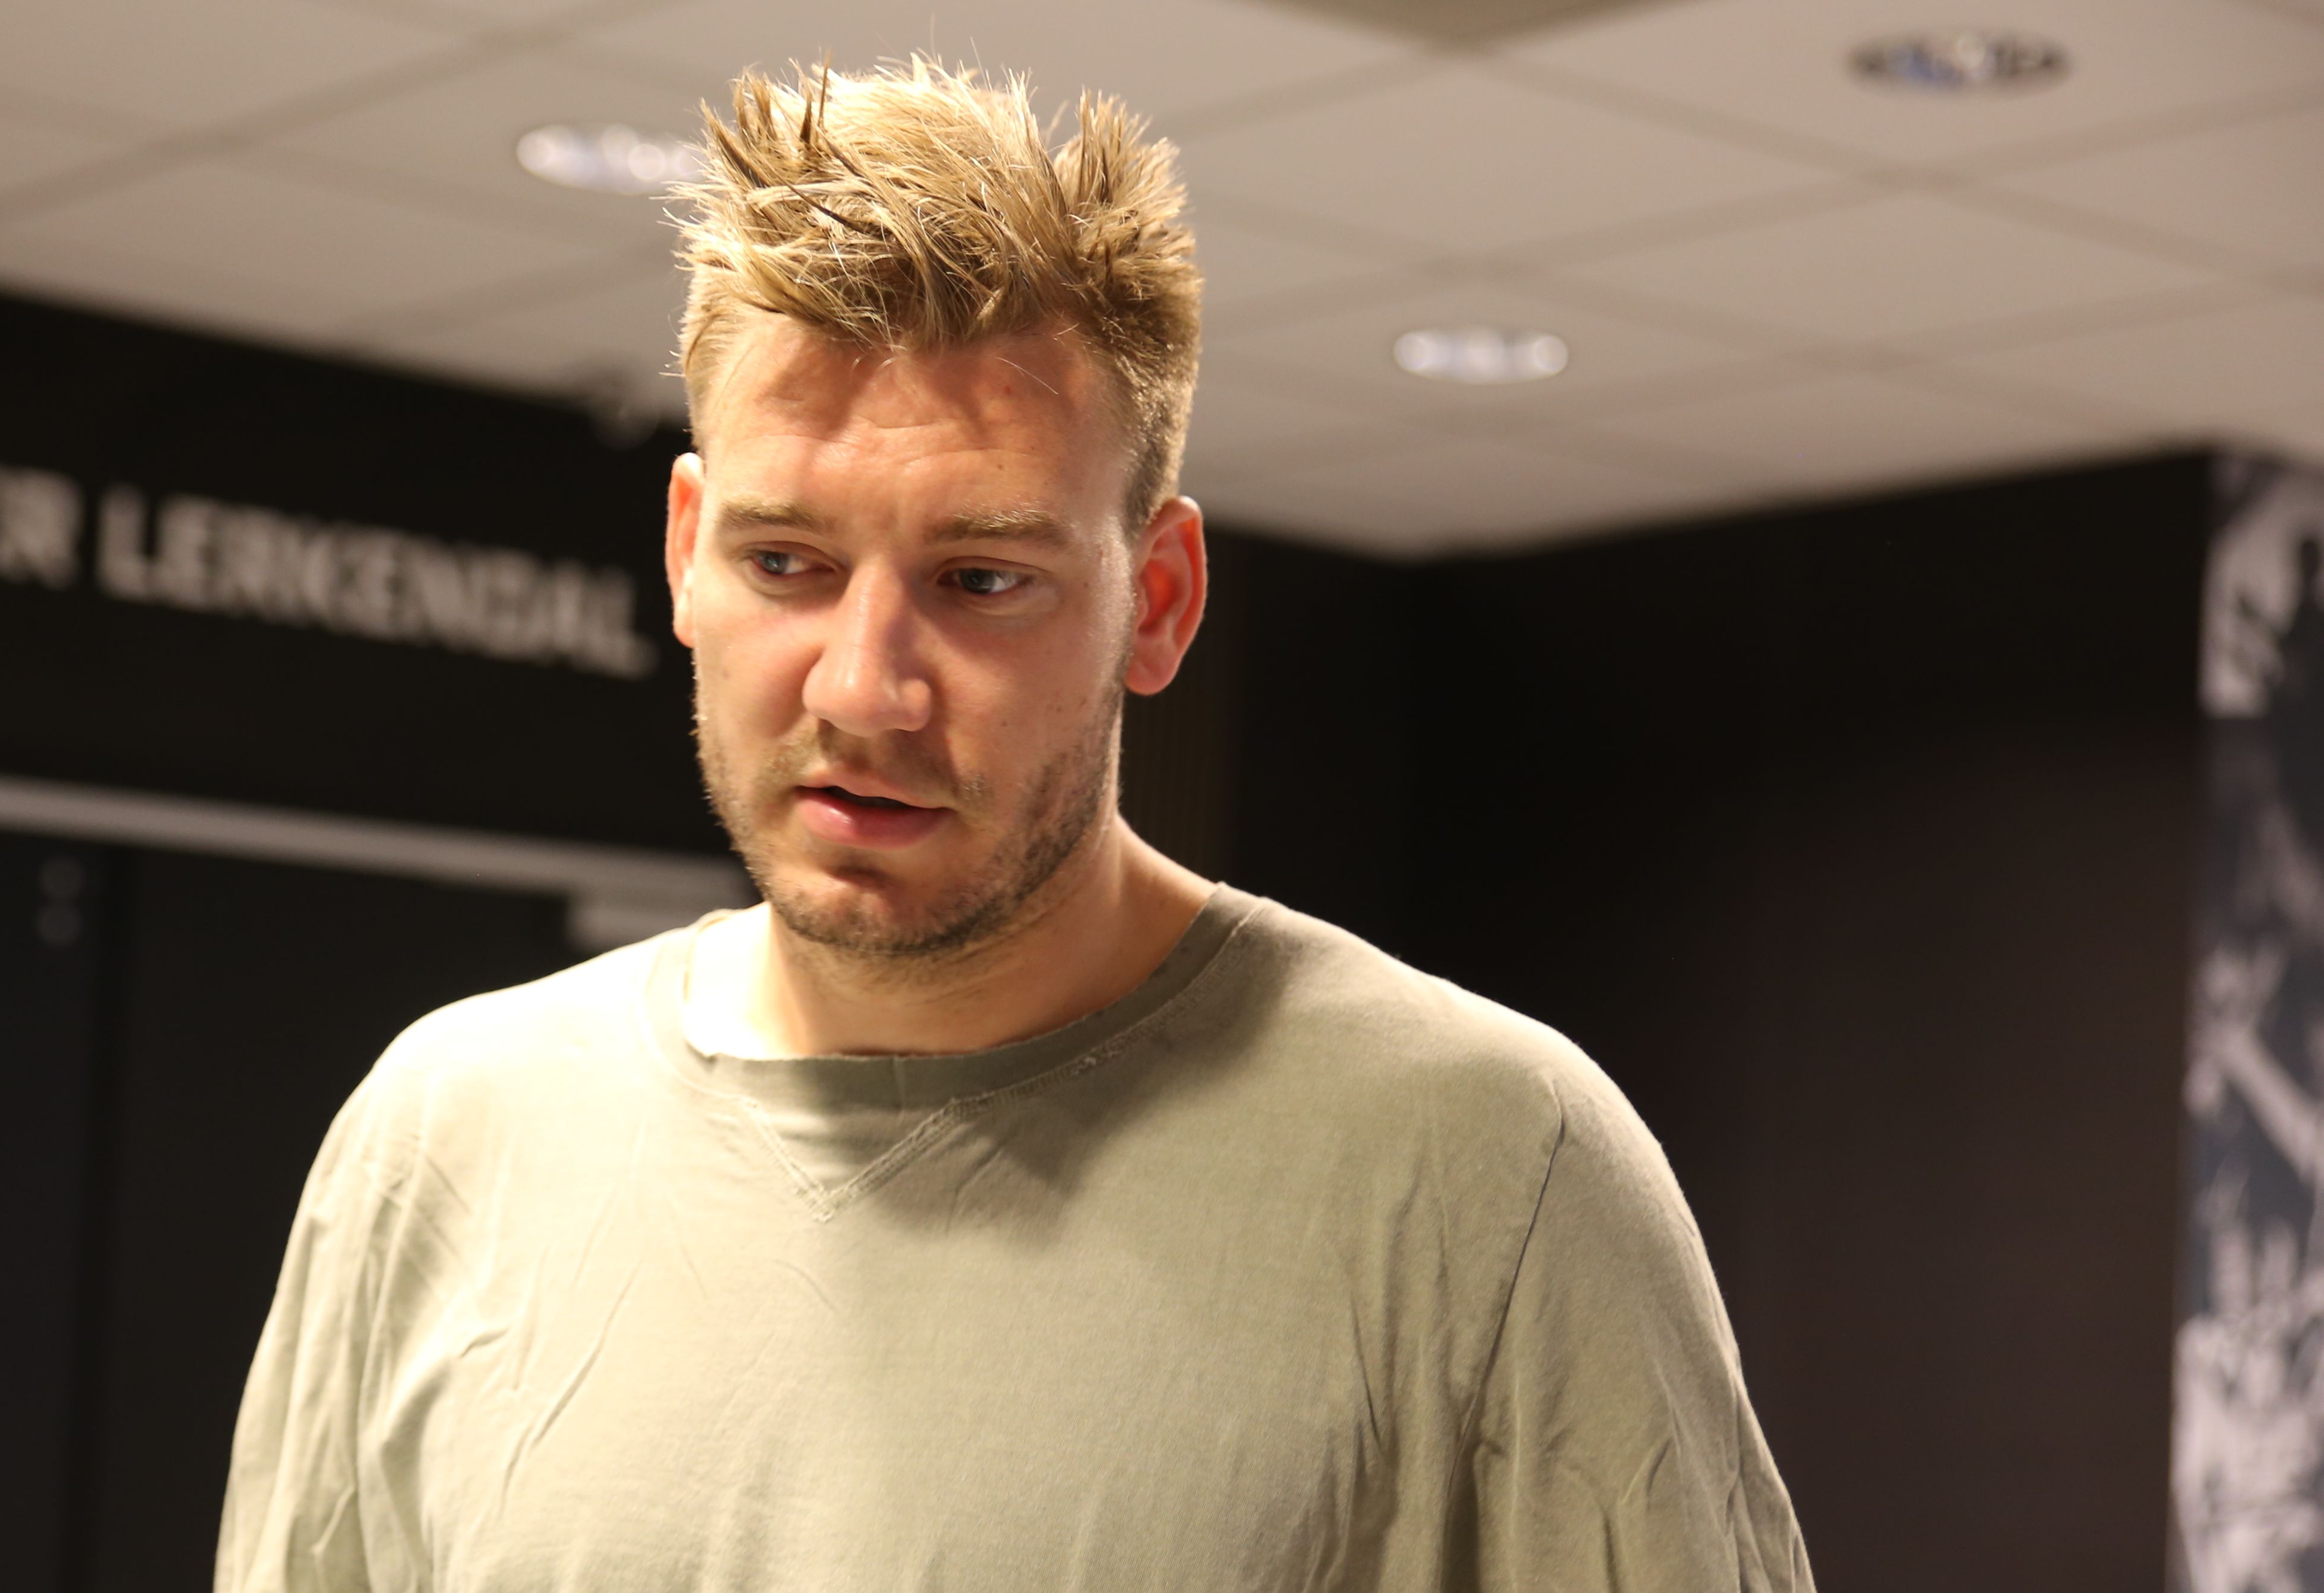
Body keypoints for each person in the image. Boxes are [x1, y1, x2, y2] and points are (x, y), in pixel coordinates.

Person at [216, 57, 1813, 1592]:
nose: (865, 688)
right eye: (786, 564)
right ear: (688, 551)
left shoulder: (1489, 1165)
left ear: (1158, 602)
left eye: (983, 580)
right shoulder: (447, 1130)